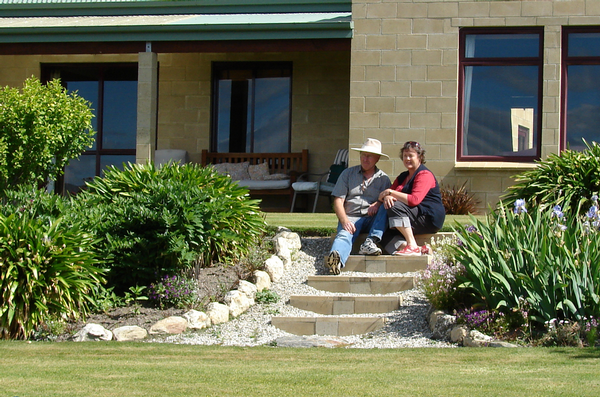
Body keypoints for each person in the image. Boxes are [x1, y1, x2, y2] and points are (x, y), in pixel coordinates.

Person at [325, 138, 391, 275]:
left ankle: (370, 242)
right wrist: (344, 220)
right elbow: (338, 200)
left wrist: (378, 203)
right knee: (344, 235)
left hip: (372, 218)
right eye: (363, 155)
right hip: (351, 217)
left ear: (377, 158)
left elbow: (387, 198)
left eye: (370, 156)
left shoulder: (383, 179)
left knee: (387, 205)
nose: (365, 159)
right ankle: (336, 260)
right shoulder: (347, 174)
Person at [378, 141, 445, 256]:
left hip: (428, 217)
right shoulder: (403, 176)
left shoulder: (424, 174)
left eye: (411, 156)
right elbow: (383, 196)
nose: (407, 159)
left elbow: (414, 200)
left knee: (393, 205)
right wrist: (387, 196)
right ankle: (418, 249)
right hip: (412, 215)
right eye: (405, 156)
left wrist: (390, 193)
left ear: (420, 157)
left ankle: (412, 245)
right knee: (382, 232)